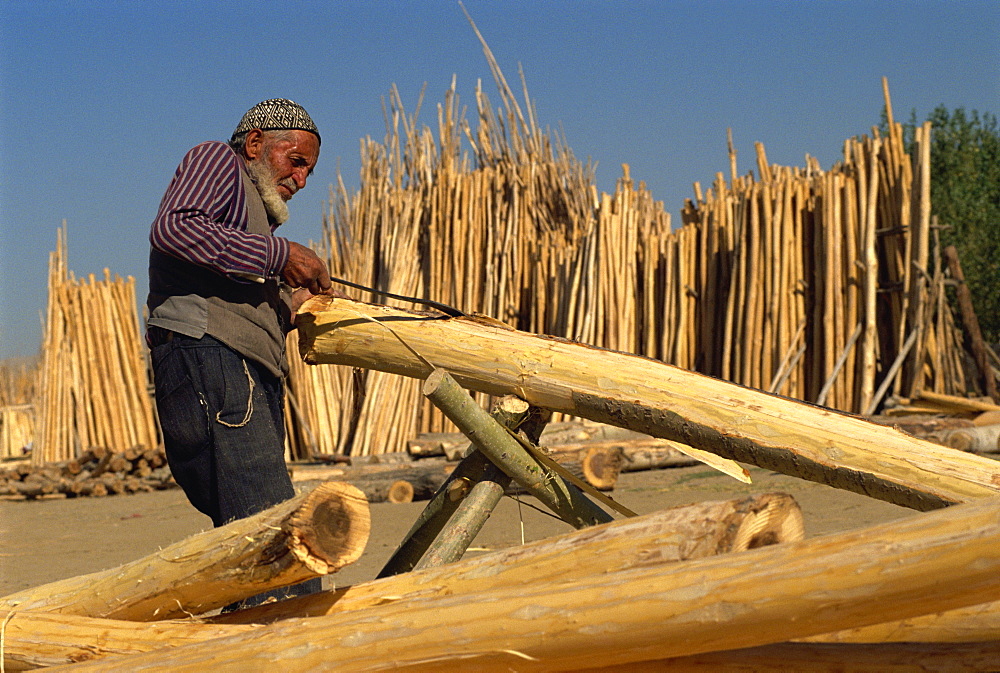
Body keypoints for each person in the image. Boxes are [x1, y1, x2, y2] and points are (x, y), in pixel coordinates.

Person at [145, 98, 333, 607]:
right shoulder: (218, 160)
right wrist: (281, 254)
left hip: (233, 366)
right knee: (274, 531)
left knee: (247, 529)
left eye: (309, 170)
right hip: (213, 358)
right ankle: (284, 644)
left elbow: (229, 276)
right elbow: (175, 228)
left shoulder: (253, 216)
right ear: (255, 143)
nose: (302, 178)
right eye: (296, 161)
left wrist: (290, 306)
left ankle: (243, 640)